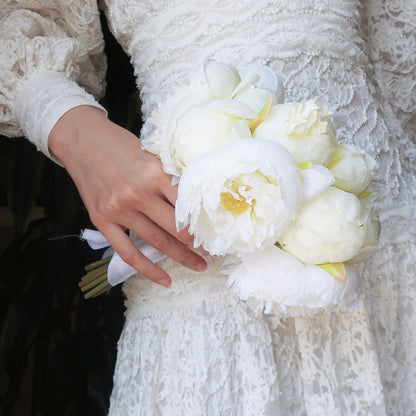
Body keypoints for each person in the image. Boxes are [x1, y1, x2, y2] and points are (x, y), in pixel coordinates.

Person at [1, 0, 415, 414]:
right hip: (198, 247)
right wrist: (73, 129)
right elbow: (20, 21)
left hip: (382, 233)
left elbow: (398, 64)